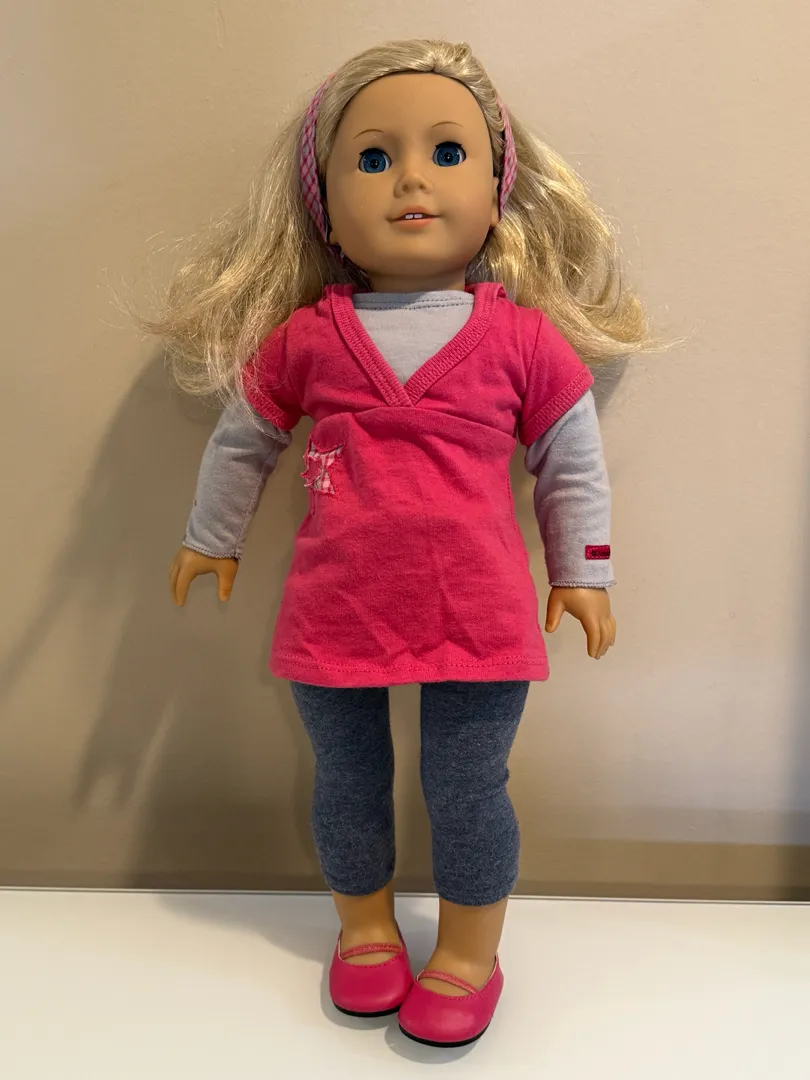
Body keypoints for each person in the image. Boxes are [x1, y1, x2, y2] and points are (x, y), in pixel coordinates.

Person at [147, 38, 648, 1048]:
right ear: (325, 208)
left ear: (497, 193)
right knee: (347, 782)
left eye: (447, 152)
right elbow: (244, 439)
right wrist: (212, 537)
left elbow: (571, 456)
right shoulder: (307, 338)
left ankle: (468, 952)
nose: (412, 179)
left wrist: (583, 571)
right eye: (373, 159)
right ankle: (367, 930)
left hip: (480, 610)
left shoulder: (522, 340)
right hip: (337, 608)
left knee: (468, 788)